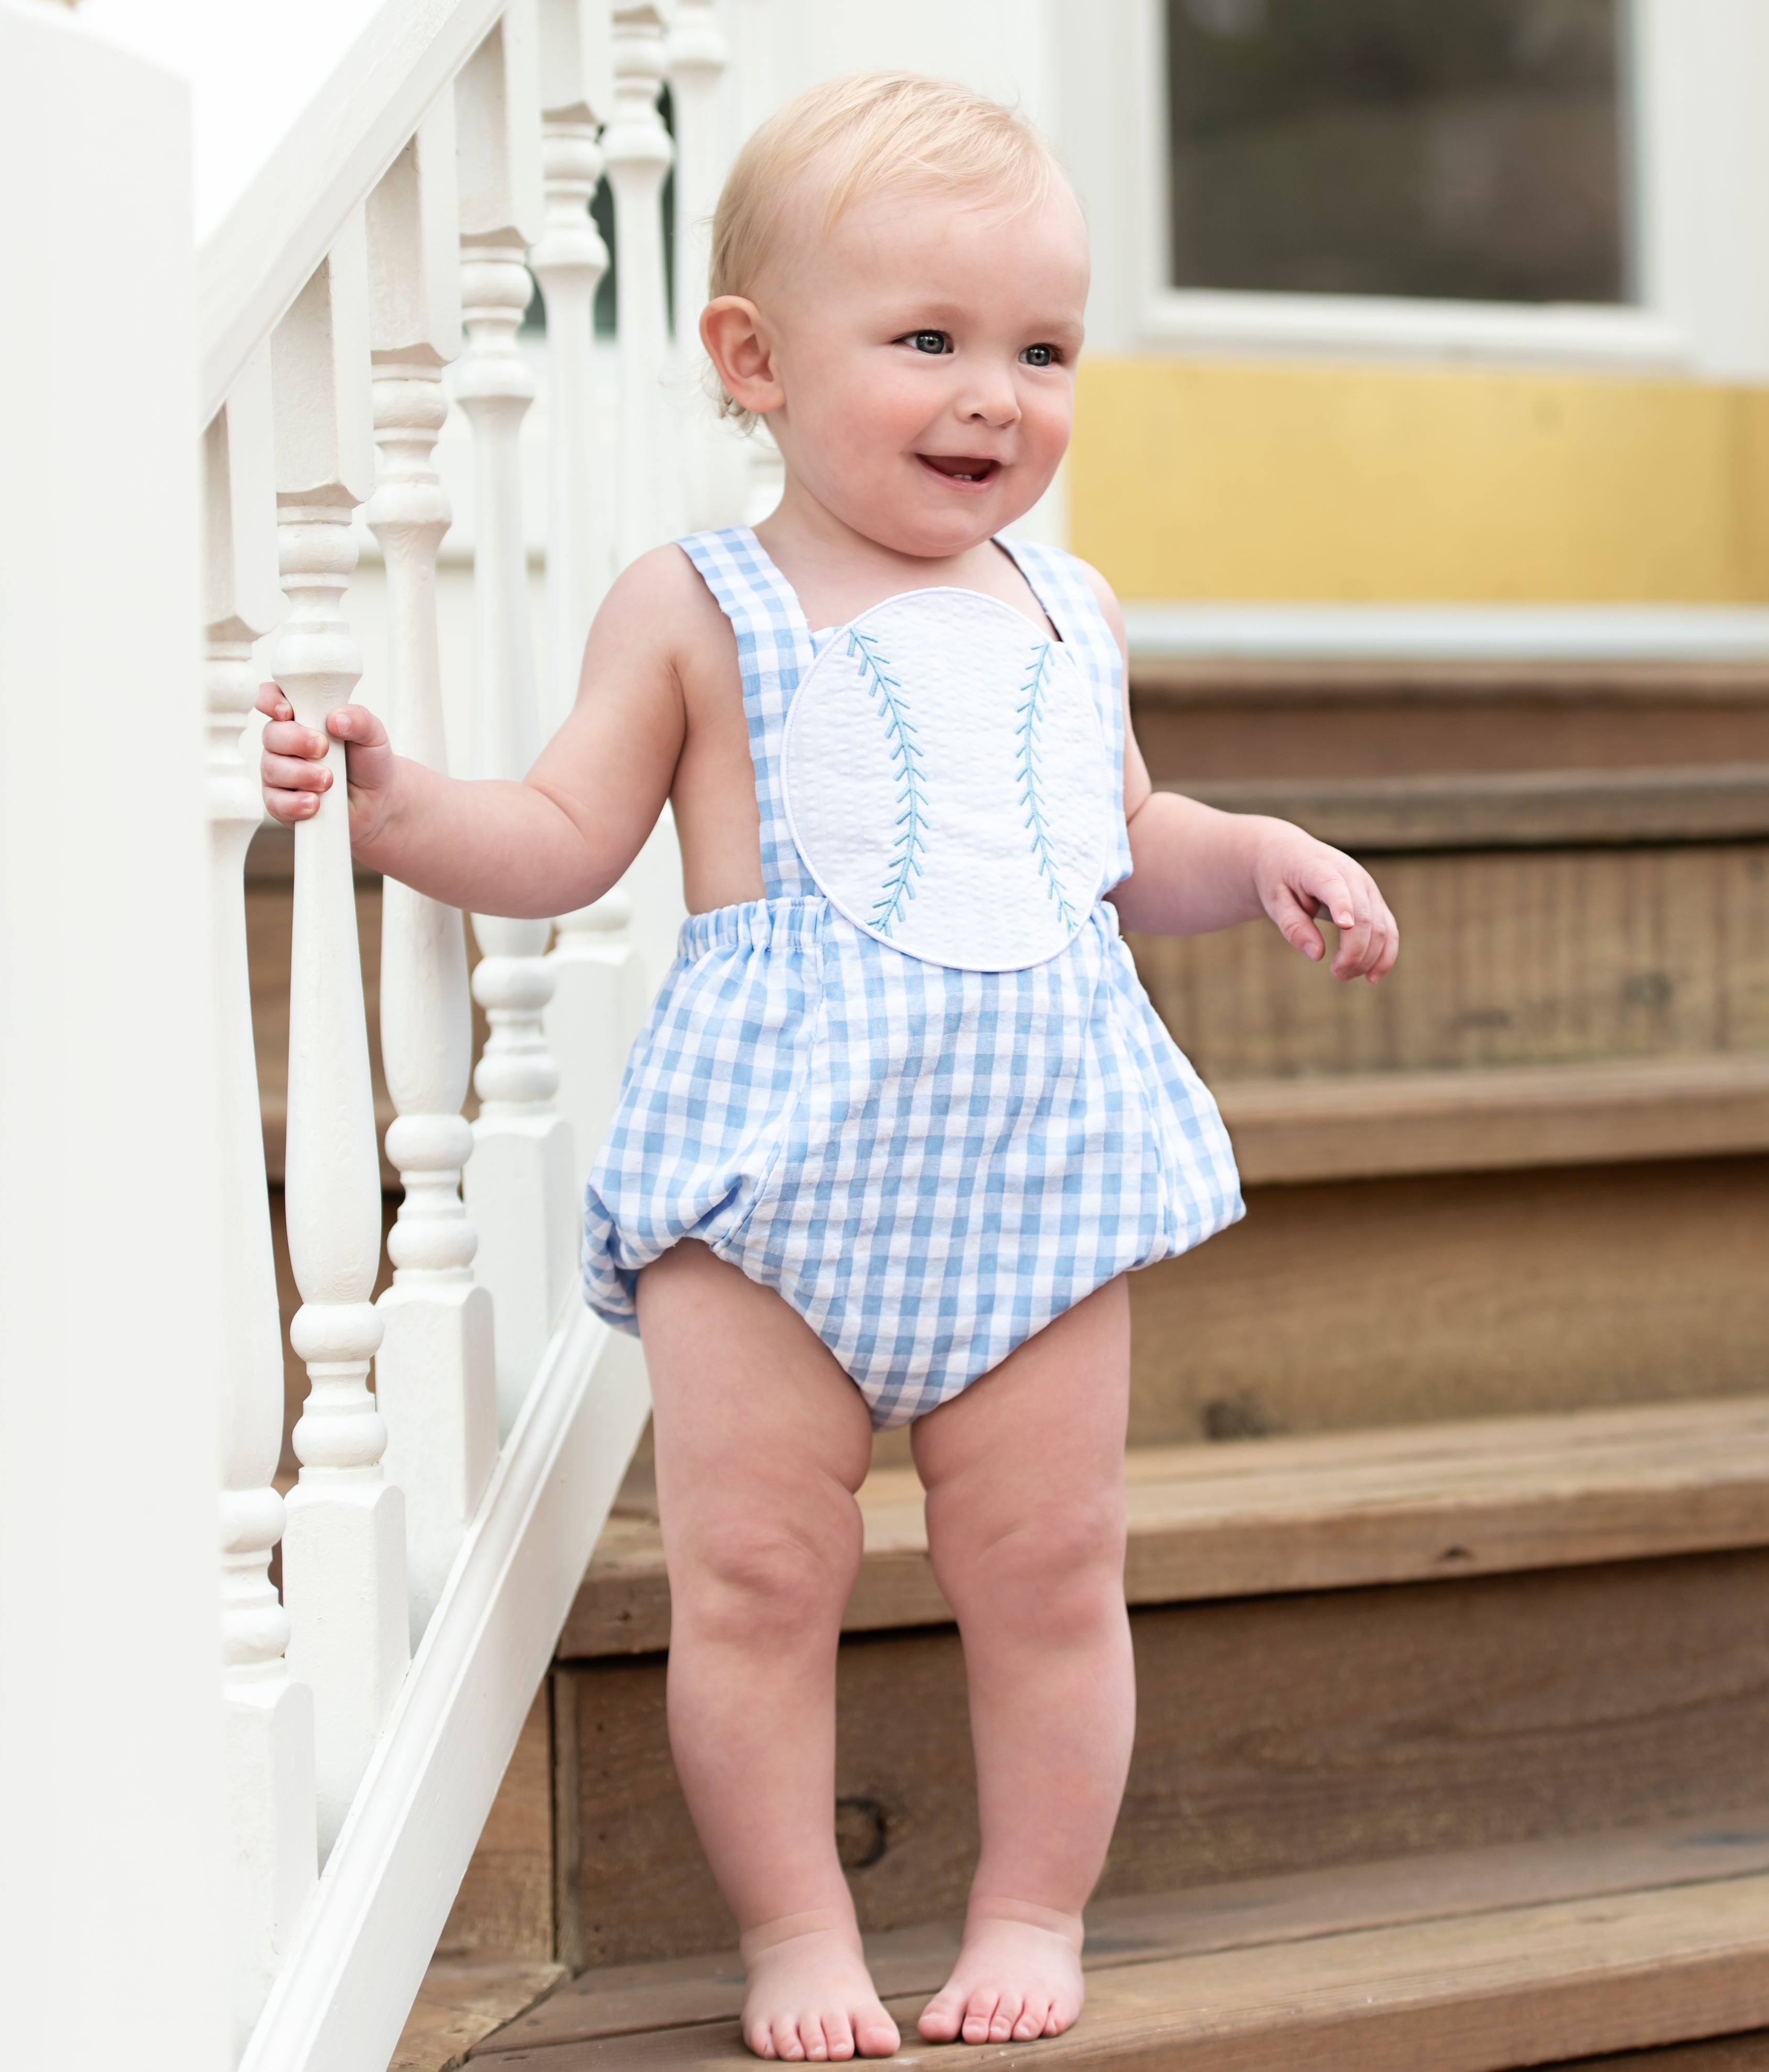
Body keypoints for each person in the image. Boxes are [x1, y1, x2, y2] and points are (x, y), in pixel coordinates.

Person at [258, 71, 1398, 2064]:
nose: (995, 398)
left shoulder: (1070, 608)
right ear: (754, 360)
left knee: (1050, 1567)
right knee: (760, 1575)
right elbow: (562, 835)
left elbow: (1124, 842)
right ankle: (796, 1930)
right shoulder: (699, 604)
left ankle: (1031, 1905)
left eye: (1041, 351)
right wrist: (397, 805)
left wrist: (1256, 858)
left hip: (1036, 1175)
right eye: (928, 341)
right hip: (775, 1181)